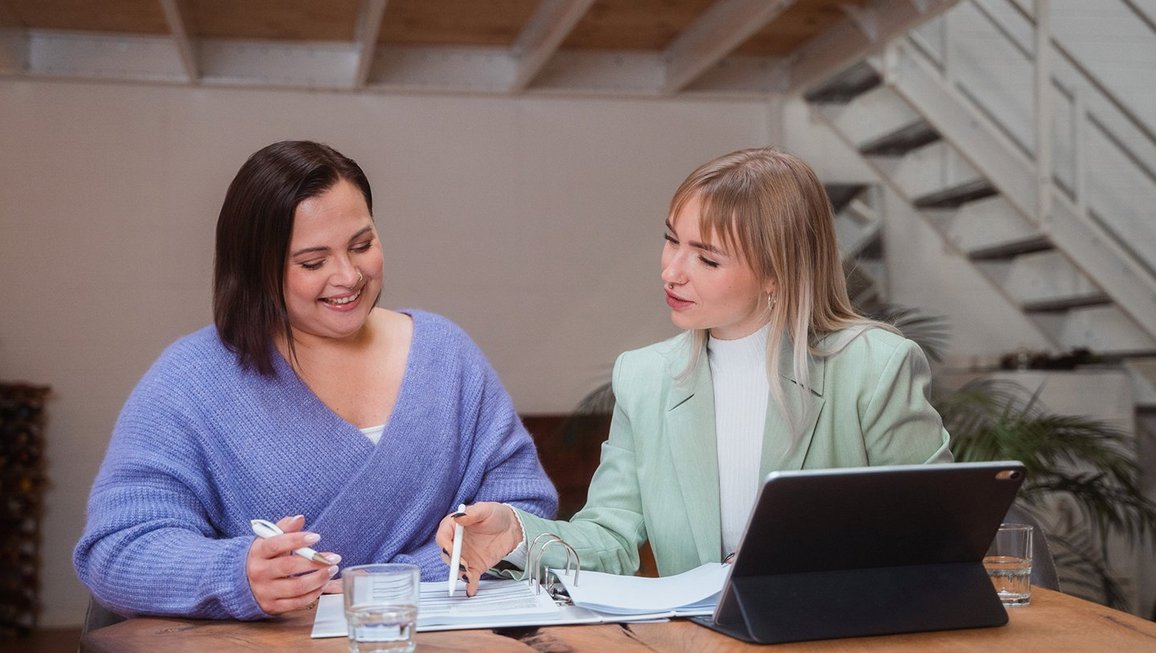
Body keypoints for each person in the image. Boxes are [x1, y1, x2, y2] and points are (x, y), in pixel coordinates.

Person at [73, 140, 557, 620]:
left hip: (436, 636)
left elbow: (523, 507)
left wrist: (393, 584)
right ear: (255, 270)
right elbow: (119, 549)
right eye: (312, 262)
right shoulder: (190, 381)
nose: (348, 276)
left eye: (362, 245)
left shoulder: (446, 356)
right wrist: (236, 574)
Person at [437, 147, 952, 595]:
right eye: (671, 239)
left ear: (777, 274)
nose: (671, 271)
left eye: (706, 259)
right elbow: (613, 538)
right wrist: (516, 535)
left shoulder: (874, 366)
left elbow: (937, 534)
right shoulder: (645, 377)